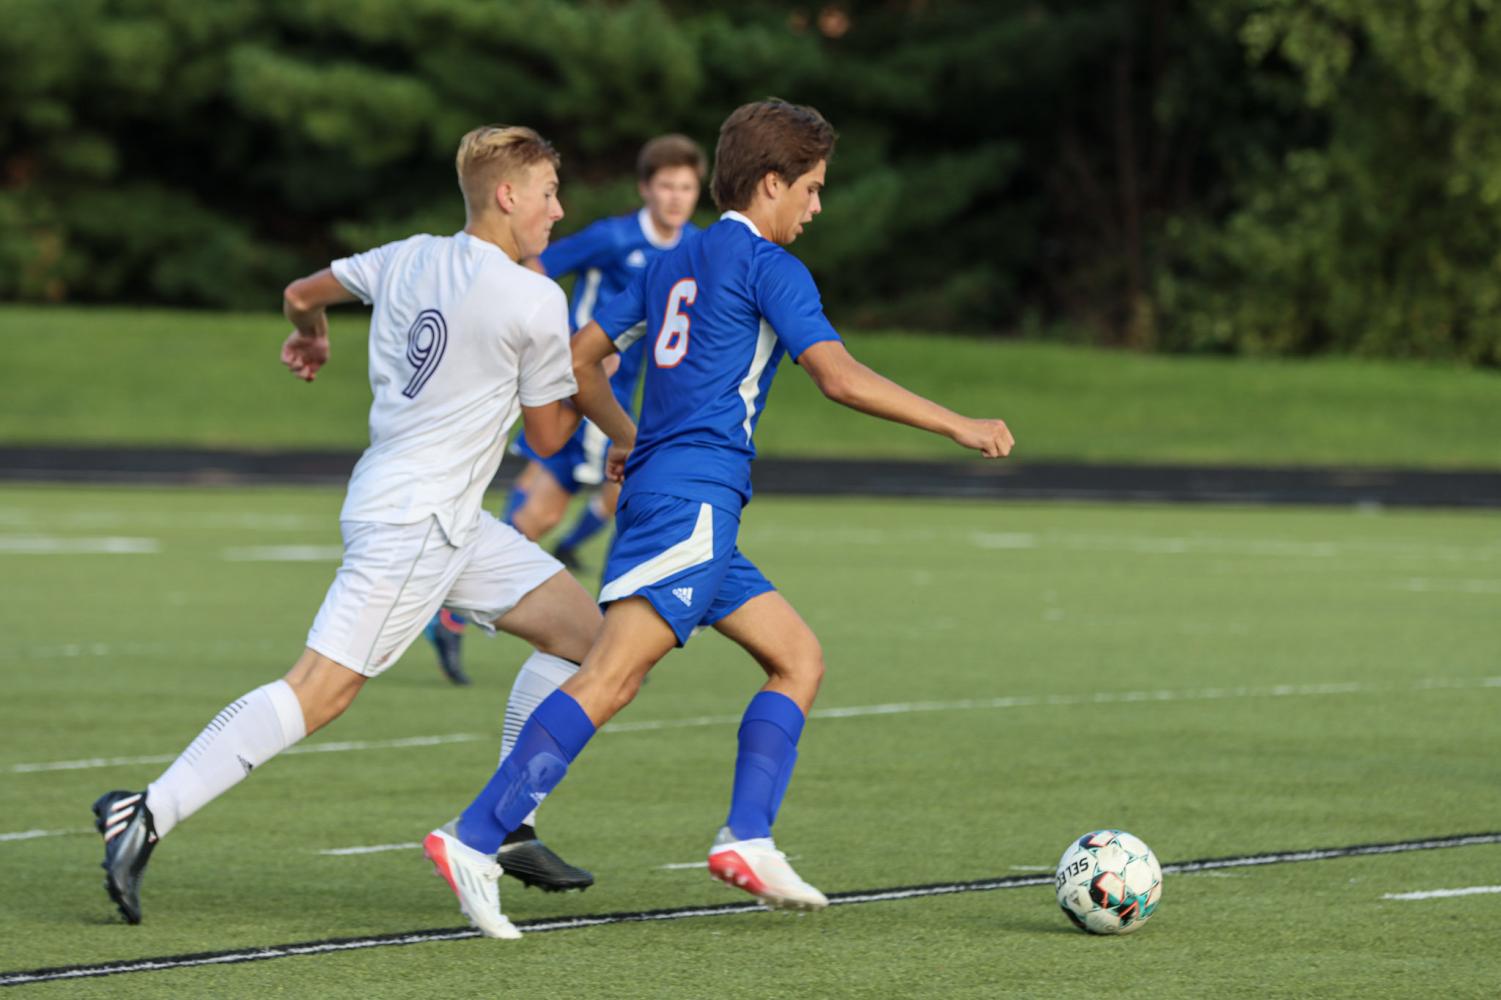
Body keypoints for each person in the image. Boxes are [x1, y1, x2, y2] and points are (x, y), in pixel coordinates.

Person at [424, 99, 1014, 938]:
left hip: (688, 506)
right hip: (691, 504)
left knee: (797, 657)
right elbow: (838, 377)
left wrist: (628, 436)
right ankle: (474, 836)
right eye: (810, 188)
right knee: (611, 676)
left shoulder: (678, 258)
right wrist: (958, 423)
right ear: (771, 182)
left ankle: (748, 838)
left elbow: (580, 361)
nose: (815, 206)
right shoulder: (771, 267)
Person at [92, 124, 615, 935]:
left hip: (432, 513)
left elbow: (304, 291)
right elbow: (547, 442)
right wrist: (591, 374)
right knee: (320, 691)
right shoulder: (533, 298)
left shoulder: (406, 255)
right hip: (419, 523)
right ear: (508, 196)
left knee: (590, 642)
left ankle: (507, 822)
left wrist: (311, 332)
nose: (558, 208)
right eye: (548, 192)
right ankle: (144, 811)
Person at [424, 134, 707, 686]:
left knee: (628, 501)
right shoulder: (612, 237)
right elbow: (536, 264)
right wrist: (547, 337)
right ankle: (455, 616)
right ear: (646, 189)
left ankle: (613, 630)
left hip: (624, 406)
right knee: (538, 519)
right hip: (572, 392)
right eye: (666, 186)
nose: (676, 198)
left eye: (687, 188)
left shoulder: (695, 247)